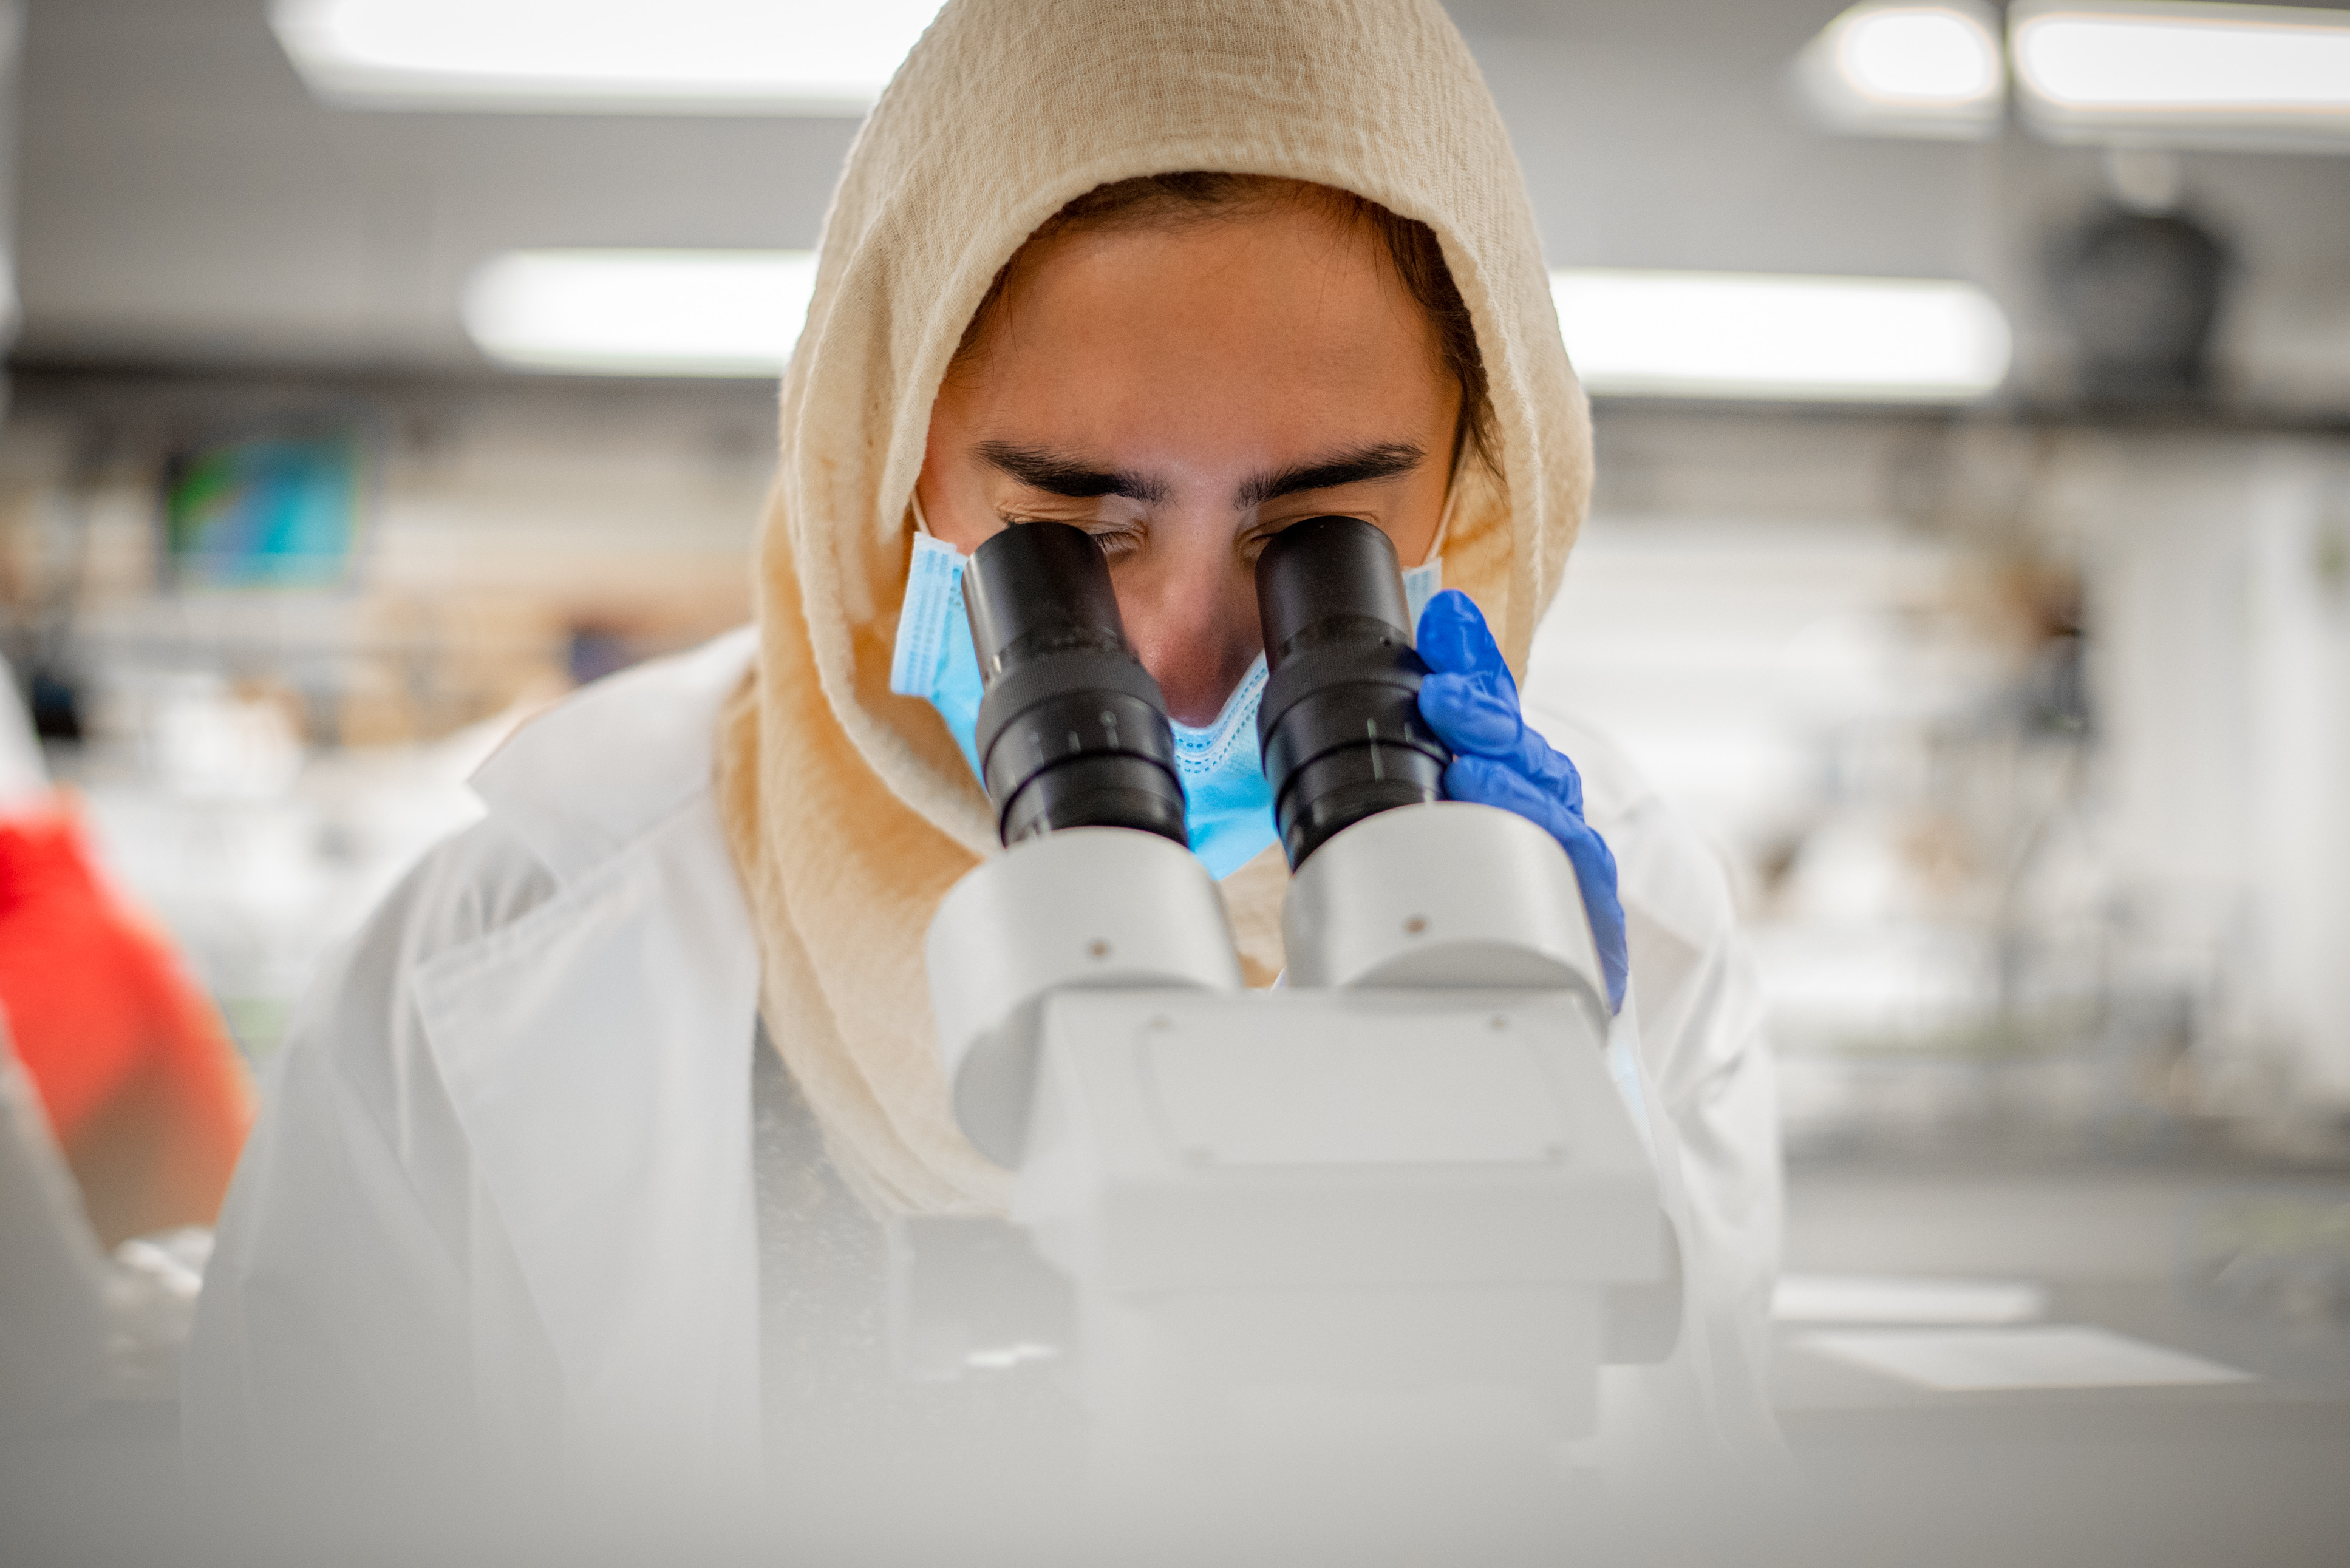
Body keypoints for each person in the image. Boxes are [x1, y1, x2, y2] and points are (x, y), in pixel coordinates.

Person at [186, 0, 1780, 1506]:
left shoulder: (1634, 921)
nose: (1182, 657)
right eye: (1078, 532)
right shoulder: (493, 953)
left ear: (1484, 478)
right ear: (883, 450)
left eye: (1320, 537)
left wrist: (1554, 1112)